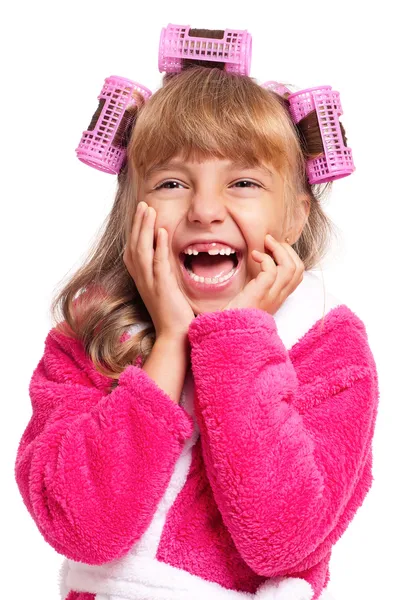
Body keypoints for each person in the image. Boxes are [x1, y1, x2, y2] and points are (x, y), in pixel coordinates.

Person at [14, 25, 379, 600]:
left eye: (242, 181)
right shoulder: (89, 334)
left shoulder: (326, 342)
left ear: (296, 215)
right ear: (133, 209)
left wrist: (238, 340)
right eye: (172, 182)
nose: (206, 209)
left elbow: (283, 541)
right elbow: (82, 529)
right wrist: (169, 343)